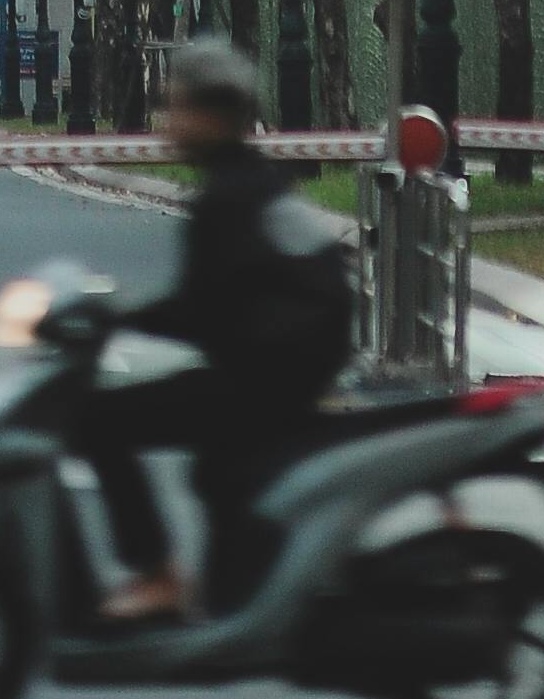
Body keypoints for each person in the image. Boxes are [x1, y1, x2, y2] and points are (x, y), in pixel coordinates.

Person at [71, 32, 353, 624]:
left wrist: (116, 319)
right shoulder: (255, 183)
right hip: (288, 369)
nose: (167, 119)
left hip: (266, 380)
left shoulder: (228, 198)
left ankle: (156, 574)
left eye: (176, 105)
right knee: (212, 467)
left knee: (100, 419)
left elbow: (200, 311)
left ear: (213, 113)